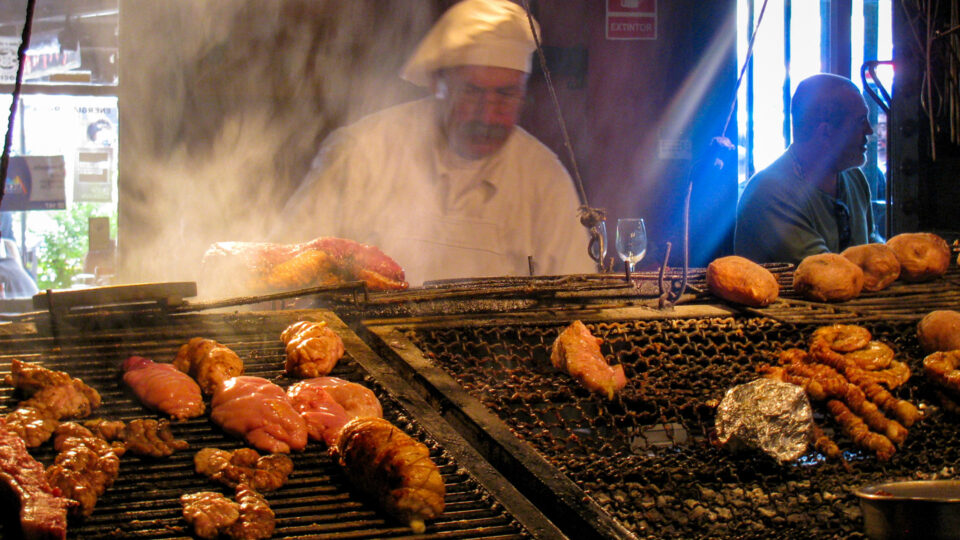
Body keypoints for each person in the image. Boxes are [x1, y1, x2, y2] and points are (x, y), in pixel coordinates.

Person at [275, 0, 594, 285]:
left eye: (506, 95)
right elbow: (288, 267)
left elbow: (577, 295)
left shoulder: (544, 179)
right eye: (472, 91)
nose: (487, 114)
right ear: (438, 85)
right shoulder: (363, 152)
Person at [734, 73, 884, 264]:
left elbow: (871, 246)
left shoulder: (854, 177)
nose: (869, 131)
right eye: (860, 121)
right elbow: (828, 273)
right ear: (825, 132)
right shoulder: (769, 193)